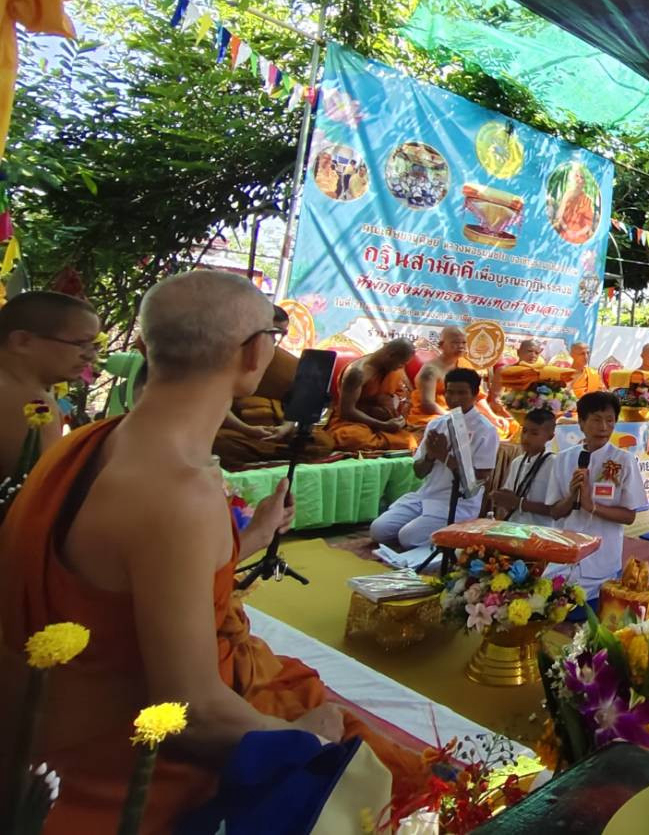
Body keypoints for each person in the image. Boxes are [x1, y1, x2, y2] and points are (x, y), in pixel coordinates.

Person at [0, 271, 423, 832]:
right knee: (400, 780)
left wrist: (246, 538)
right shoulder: (177, 491)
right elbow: (194, 719)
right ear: (254, 353)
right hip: (112, 781)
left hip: (36, 732)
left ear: (148, 347)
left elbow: (145, 568)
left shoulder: (86, 439)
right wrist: (311, 737)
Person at [370, 368, 499, 549]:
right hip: (426, 495)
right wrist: (430, 456)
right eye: (450, 392)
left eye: (462, 393)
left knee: (407, 538)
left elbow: (480, 478)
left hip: (458, 503)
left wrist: (444, 457)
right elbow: (419, 472)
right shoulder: (437, 423)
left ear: (475, 394)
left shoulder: (485, 430)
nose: (454, 398)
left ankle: (457, 536)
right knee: (378, 530)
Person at [211, 304, 335, 468]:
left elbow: (294, 405)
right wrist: (248, 430)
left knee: (322, 443)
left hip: (274, 432)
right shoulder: (227, 358)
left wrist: (285, 427)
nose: (275, 341)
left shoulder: (287, 363)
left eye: (281, 335)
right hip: (238, 429)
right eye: (273, 334)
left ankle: (264, 458)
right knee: (218, 442)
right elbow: (216, 404)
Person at [545, 391, 645, 594]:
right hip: (564, 555)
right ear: (581, 423)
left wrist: (592, 506)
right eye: (596, 420)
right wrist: (572, 497)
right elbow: (554, 511)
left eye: (610, 420)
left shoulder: (623, 460)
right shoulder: (563, 459)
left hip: (601, 561)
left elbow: (629, 516)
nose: (603, 427)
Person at [0, 291, 101, 481]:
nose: (90, 356)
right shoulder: (30, 402)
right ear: (23, 341)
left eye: (93, 346)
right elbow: (45, 492)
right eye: (80, 343)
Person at [327, 340, 417, 452]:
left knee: (411, 440)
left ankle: (386, 442)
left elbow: (405, 395)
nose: (401, 367)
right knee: (351, 438)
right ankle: (386, 442)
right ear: (391, 355)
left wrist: (400, 419)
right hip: (354, 423)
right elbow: (347, 411)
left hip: (383, 422)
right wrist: (383, 425)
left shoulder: (392, 368)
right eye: (401, 363)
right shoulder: (357, 373)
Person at [482, 406, 559, 526]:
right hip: (515, 525)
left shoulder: (553, 463)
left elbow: (556, 510)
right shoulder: (517, 462)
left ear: (550, 437)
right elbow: (511, 500)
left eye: (534, 433)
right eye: (524, 431)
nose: (526, 438)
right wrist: (501, 499)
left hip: (540, 530)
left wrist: (519, 503)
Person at [407, 326, 471, 429]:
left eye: (463, 343)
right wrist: (455, 417)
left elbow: (478, 396)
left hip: (458, 412)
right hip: (433, 416)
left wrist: (491, 415)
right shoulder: (430, 371)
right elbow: (428, 405)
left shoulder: (465, 364)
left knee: (493, 426)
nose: (460, 346)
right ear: (441, 345)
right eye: (455, 343)